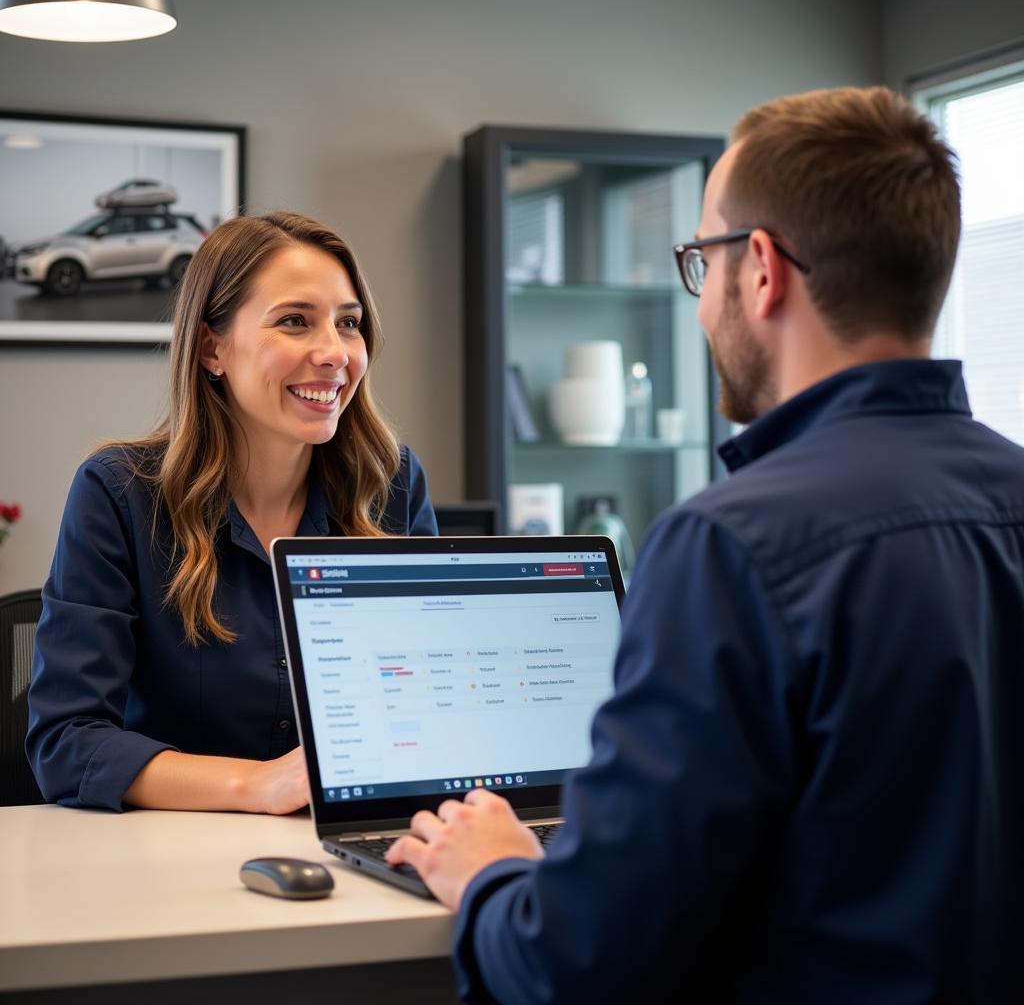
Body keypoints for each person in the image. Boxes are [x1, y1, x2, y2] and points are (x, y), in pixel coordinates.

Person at [386, 87, 1024, 1001]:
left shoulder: (732, 546)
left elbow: (580, 964)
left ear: (760, 269)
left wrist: (491, 872)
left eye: (701, 260)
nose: (698, 305)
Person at [27, 211, 437, 815]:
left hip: (350, 843)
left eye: (348, 324)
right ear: (211, 347)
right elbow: (66, 742)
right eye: (294, 321)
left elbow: (426, 704)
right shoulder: (118, 494)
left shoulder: (392, 485)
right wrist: (258, 785)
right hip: (167, 859)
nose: (333, 352)